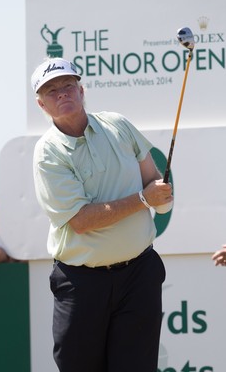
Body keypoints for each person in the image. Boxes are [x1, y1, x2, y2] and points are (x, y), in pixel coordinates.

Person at [31, 57, 173, 372]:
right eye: (52, 91)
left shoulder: (117, 124)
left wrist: (160, 195)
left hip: (139, 274)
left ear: (81, 90)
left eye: (68, 85)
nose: (62, 93)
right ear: (42, 105)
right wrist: (142, 199)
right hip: (81, 282)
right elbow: (80, 221)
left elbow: (151, 177)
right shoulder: (48, 153)